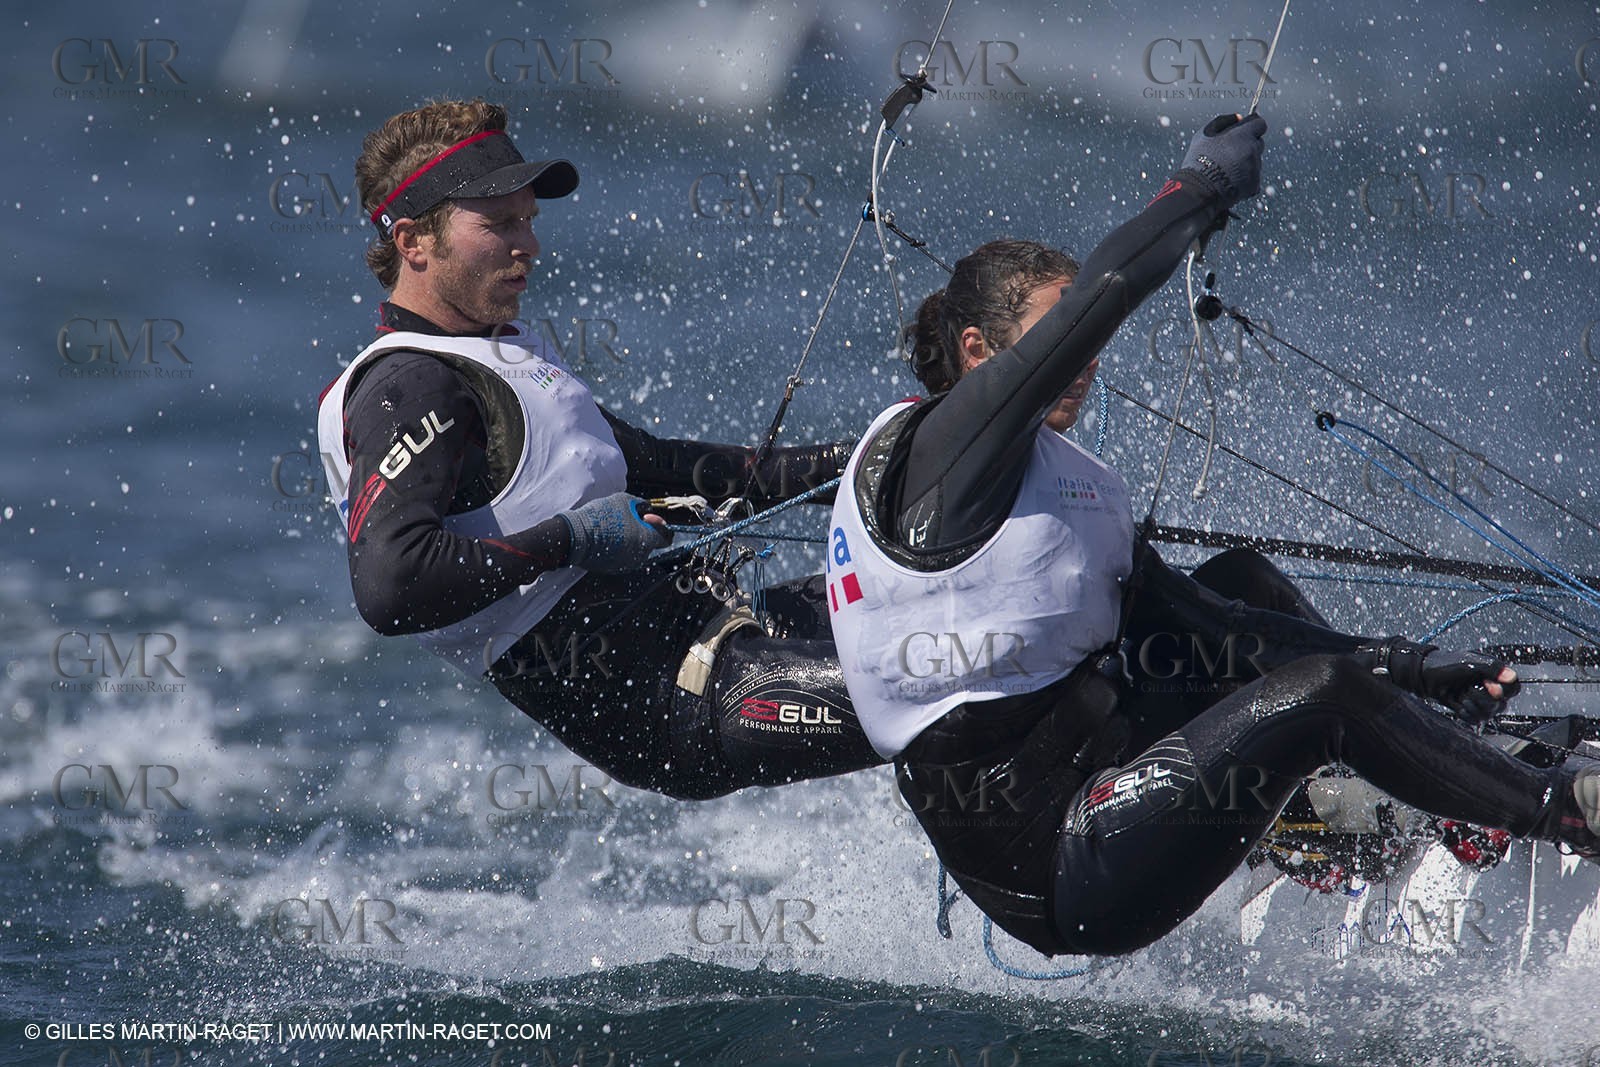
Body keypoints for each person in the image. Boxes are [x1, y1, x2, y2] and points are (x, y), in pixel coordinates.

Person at [825, 112, 1600, 956]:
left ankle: (1353, 806)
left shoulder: (1061, 477)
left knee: (1240, 584)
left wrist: (1406, 666)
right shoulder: (935, 462)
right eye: (1057, 340)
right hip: (1062, 867)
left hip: (1108, 763)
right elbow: (1107, 292)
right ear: (979, 352)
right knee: (1324, 692)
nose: (1084, 360)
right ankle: (1567, 811)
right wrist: (1200, 187)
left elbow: (1215, 626)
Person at [316, 98, 884, 800]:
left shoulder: (497, 358)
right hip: (686, 701)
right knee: (955, 685)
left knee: (969, 613)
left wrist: (869, 460)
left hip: (723, 627)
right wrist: (573, 537)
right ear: (413, 242)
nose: (529, 245)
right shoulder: (410, 386)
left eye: (529, 220)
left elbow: (671, 468)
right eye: (500, 224)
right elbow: (391, 586)